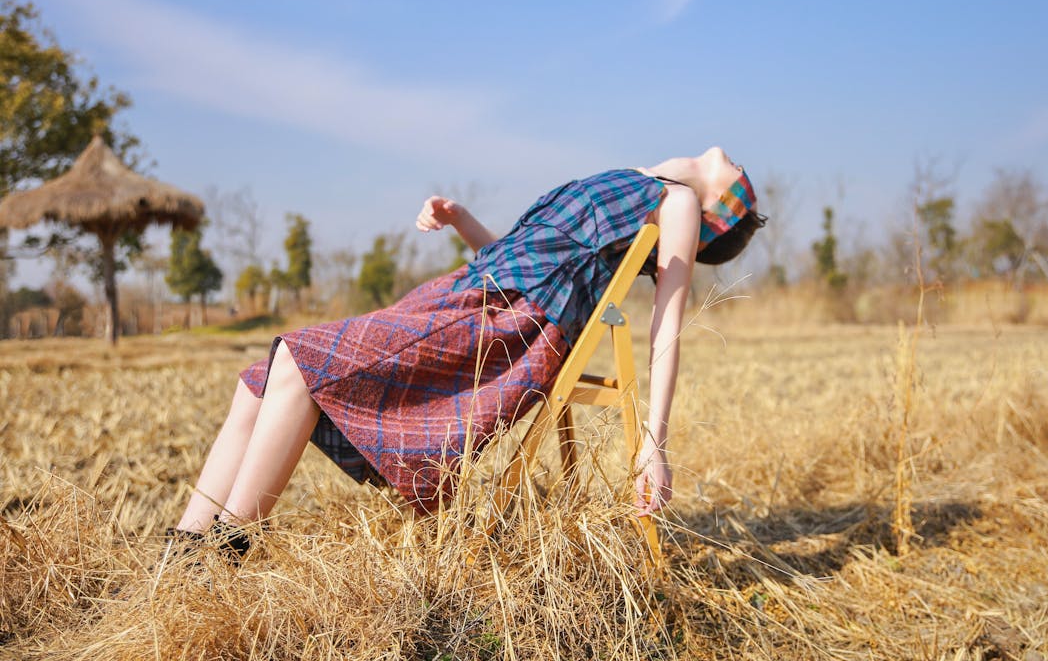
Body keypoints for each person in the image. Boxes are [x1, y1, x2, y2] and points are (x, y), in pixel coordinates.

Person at [169, 146, 765, 557]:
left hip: (504, 323)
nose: (738, 168)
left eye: (740, 187)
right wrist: (463, 221)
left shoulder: (680, 202)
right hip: (469, 295)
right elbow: (519, 253)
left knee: (299, 365)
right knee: (260, 380)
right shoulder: (633, 175)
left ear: (718, 216)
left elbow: (666, 328)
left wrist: (653, 448)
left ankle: (226, 557)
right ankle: (184, 560)